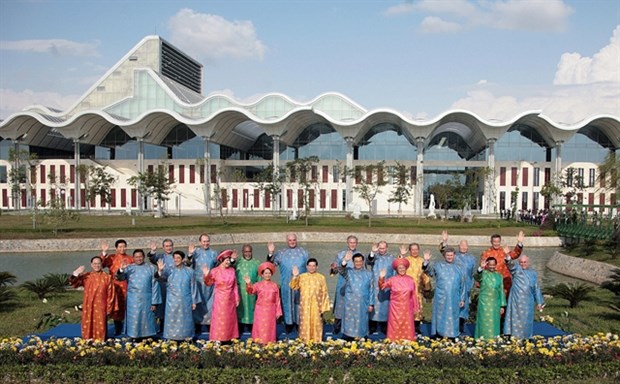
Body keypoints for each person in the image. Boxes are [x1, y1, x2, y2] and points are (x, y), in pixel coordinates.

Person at [115, 249, 161, 340]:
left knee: (147, 318)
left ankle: (148, 337)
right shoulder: (129, 268)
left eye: (140, 256)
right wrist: (121, 270)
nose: (138, 258)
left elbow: (155, 285)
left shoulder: (151, 268)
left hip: (147, 298)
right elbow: (119, 278)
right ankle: (134, 336)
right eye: (136, 257)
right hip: (133, 299)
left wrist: (154, 302)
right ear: (133, 258)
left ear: (143, 257)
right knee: (134, 318)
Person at [267, 233, 309, 334]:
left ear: (296, 240)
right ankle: (288, 325)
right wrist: (270, 253)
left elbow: (310, 267)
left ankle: (300, 324)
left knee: (299, 304)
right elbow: (270, 265)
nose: (292, 242)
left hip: (300, 285)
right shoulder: (281, 253)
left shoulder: (304, 252)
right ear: (287, 241)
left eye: (294, 240)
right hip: (286, 284)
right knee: (287, 304)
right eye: (290, 240)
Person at [156, 250, 200, 341]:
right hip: (172, 301)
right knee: (172, 320)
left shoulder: (190, 271)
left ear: (183, 259)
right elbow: (160, 278)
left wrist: (194, 301)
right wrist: (160, 271)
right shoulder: (169, 270)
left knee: (186, 320)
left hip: (186, 300)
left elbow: (193, 286)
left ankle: (187, 337)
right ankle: (171, 338)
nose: (176, 260)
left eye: (178, 258)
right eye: (174, 258)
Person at [69, 256, 115, 340]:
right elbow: (74, 284)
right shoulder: (86, 276)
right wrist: (75, 274)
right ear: (91, 265)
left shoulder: (107, 277)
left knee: (100, 325)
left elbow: (111, 294)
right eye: (95, 264)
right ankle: (87, 342)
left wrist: (109, 309)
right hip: (88, 305)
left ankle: (100, 343)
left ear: (101, 264)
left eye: (98, 263)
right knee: (87, 323)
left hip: (101, 306)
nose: (97, 265)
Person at [423, 248, 465, 339]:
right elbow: (428, 272)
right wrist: (426, 262)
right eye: (447, 255)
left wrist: (462, 298)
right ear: (444, 256)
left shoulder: (459, 267)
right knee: (440, 314)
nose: (449, 257)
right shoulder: (438, 265)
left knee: (453, 315)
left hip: (455, 296)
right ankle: (439, 333)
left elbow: (463, 284)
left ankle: (452, 334)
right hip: (441, 296)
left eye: (451, 255)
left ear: (454, 255)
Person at [439, 231, 477, 333]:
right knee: (454, 303)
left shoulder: (472, 258)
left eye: (466, 246)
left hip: (467, 284)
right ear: (458, 246)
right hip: (455, 284)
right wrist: (444, 241)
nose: (464, 247)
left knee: (464, 305)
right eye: (462, 245)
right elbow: (445, 252)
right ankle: (451, 323)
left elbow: (473, 272)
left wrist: (474, 283)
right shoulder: (455, 256)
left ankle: (461, 324)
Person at [504, 252, 545, 339]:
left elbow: (536, 288)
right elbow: (510, 264)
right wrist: (508, 256)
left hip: (528, 301)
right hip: (516, 300)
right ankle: (514, 338)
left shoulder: (533, 273)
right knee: (516, 319)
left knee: (527, 320)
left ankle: (526, 338)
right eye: (521, 262)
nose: (523, 264)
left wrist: (539, 302)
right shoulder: (517, 270)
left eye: (525, 262)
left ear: (528, 262)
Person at [290, 258, 331, 343]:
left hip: (317, 306)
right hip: (305, 306)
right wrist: (294, 276)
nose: (311, 268)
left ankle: (317, 341)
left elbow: (324, 292)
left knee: (316, 323)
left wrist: (323, 307)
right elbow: (293, 286)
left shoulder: (321, 278)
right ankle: (304, 341)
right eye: (310, 266)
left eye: (313, 266)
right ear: (307, 266)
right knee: (305, 323)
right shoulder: (302, 277)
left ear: (317, 267)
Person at [203, 249, 240, 342]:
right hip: (220, 299)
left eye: (229, 260)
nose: (228, 262)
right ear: (221, 260)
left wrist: (237, 298)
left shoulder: (232, 270)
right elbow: (208, 283)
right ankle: (218, 338)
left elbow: (235, 285)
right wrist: (206, 275)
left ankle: (230, 337)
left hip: (230, 298)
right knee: (220, 319)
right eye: (226, 260)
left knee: (230, 318)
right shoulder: (215, 271)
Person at [379, 257, 419, 341]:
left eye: (403, 267)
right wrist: (381, 278)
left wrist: (416, 307)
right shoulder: (392, 279)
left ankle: (408, 341)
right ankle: (393, 341)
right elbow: (382, 287)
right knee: (395, 325)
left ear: (406, 268)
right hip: (395, 308)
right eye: (399, 268)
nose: (402, 269)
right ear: (397, 269)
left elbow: (413, 295)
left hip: (407, 307)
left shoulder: (410, 280)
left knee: (407, 325)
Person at [101, 239, 134, 335]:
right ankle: (117, 329)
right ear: (116, 248)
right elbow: (101, 264)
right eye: (120, 247)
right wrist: (104, 252)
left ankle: (130, 329)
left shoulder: (130, 259)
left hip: (128, 286)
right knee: (116, 307)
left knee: (128, 307)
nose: (122, 248)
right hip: (115, 287)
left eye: (124, 246)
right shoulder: (112, 258)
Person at [338, 250, 374, 340]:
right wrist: (345, 261)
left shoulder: (369, 274)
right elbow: (340, 270)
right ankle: (348, 336)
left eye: (360, 261)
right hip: (350, 301)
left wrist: (371, 304)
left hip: (363, 302)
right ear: (353, 262)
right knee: (349, 320)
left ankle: (362, 336)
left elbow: (372, 290)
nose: (358, 263)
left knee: (362, 320)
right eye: (356, 261)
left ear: (363, 262)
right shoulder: (348, 272)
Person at [244, 262, 282, 344]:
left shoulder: (275, 285)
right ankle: (258, 342)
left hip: (271, 309)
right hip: (260, 310)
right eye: (266, 273)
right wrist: (248, 283)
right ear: (262, 274)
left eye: (269, 273)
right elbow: (251, 291)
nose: (267, 275)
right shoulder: (258, 285)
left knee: (269, 327)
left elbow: (277, 299)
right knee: (260, 327)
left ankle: (270, 343)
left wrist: (278, 311)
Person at [188, 233, 218, 334]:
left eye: (207, 241)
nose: (206, 243)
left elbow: (217, 266)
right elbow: (188, 264)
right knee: (198, 303)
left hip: (209, 283)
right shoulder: (195, 252)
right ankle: (197, 325)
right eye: (204, 241)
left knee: (210, 303)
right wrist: (190, 255)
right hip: (198, 283)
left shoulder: (214, 253)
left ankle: (210, 326)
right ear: (200, 242)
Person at [481, 231, 525, 297]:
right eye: (494, 242)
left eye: (498, 241)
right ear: (491, 242)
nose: (496, 243)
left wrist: (519, 243)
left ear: (500, 242)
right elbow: (483, 269)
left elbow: (515, 254)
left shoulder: (504, 251)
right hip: (492, 283)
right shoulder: (486, 253)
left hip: (505, 282)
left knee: (505, 302)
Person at [400, 242, 431, 334]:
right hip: (406, 289)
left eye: (416, 249)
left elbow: (426, 274)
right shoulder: (406, 260)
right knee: (405, 307)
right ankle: (404, 326)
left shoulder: (422, 260)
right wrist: (402, 255)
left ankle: (416, 326)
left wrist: (427, 288)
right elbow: (398, 266)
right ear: (409, 250)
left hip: (418, 288)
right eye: (412, 249)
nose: (414, 251)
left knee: (417, 307)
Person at [331, 235, 359, 335]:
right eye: (351, 242)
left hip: (355, 284)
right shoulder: (340, 254)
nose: (352, 244)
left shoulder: (360, 255)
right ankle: (337, 328)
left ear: (357, 243)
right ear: (347, 243)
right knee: (340, 305)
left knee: (354, 305)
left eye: (354, 242)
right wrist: (334, 268)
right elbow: (333, 272)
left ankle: (352, 327)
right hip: (343, 283)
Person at [366, 240, 395, 334]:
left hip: (387, 285)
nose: (382, 250)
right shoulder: (375, 256)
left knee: (385, 305)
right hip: (375, 285)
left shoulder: (391, 257)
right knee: (373, 304)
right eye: (380, 248)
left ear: (387, 248)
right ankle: (372, 326)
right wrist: (372, 252)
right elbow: (368, 261)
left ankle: (384, 326)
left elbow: (395, 269)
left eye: (383, 248)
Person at [474, 257, 506, 339]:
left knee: (494, 323)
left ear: (496, 265)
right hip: (484, 303)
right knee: (483, 322)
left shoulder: (499, 276)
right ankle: (481, 340)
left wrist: (502, 306)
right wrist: (480, 268)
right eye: (490, 265)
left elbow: (501, 291)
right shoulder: (483, 274)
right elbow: (477, 277)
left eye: (493, 265)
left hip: (496, 303)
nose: (492, 266)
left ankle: (494, 340)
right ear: (487, 265)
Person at [149, 238, 176, 332]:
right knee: (162, 306)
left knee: (174, 306)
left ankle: (173, 326)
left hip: (174, 285)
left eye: (170, 246)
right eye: (166, 246)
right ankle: (161, 327)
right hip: (162, 285)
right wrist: (152, 251)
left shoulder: (177, 256)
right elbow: (152, 259)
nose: (169, 248)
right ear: (163, 247)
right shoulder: (160, 256)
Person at [233, 244, 260, 334]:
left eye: (249, 251)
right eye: (245, 252)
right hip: (240, 291)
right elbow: (229, 268)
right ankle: (240, 328)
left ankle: (252, 328)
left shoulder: (257, 263)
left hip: (252, 291)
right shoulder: (238, 263)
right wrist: (232, 259)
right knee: (241, 309)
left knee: (252, 308)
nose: (247, 253)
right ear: (242, 252)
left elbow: (260, 278)